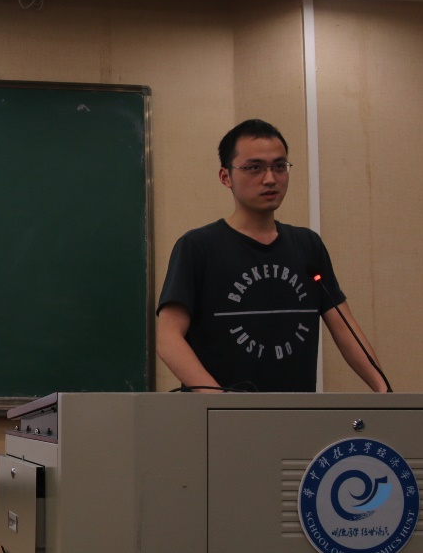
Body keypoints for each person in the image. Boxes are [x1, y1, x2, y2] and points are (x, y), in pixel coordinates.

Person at [156, 119, 389, 392]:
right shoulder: (198, 247)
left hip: (294, 411)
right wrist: (218, 401)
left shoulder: (307, 245)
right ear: (225, 177)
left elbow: (344, 327)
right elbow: (168, 338)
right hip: (218, 413)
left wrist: (383, 390)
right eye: (254, 168)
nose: (270, 179)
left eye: (279, 166)